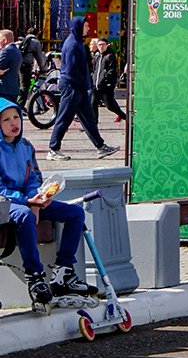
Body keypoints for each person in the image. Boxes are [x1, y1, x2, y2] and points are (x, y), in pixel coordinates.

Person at [0, 97, 95, 312]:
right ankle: (35, 277)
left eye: (16, 117)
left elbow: (33, 177)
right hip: (7, 204)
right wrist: (27, 202)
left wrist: (37, 200)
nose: (13, 123)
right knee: (24, 215)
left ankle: (63, 272)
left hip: (29, 200)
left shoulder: (25, 146)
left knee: (75, 213)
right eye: (6, 120)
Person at [46, 19, 115, 160]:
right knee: (64, 118)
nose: (88, 27)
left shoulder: (77, 42)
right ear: (78, 27)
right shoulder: (73, 45)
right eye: (86, 25)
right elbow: (71, 70)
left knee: (88, 118)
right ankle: (53, 149)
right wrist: (82, 83)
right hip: (72, 86)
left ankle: (101, 147)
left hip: (79, 87)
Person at [90, 38, 126, 123]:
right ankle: (94, 123)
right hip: (96, 85)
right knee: (93, 104)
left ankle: (125, 116)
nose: (101, 47)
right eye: (99, 45)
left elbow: (112, 70)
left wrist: (106, 80)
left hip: (106, 86)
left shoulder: (110, 56)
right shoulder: (97, 56)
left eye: (103, 45)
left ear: (107, 45)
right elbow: (94, 69)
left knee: (110, 105)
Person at [0, 29, 19, 104]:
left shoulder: (5, 51)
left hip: (4, 88)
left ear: (5, 40)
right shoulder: (17, 51)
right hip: (13, 88)